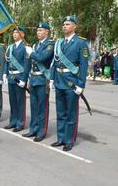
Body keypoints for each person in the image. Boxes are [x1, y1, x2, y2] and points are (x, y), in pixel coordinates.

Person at [50, 15, 89, 151]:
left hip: (72, 83)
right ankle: (60, 138)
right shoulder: (59, 43)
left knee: (71, 113)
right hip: (59, 81)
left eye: (67, 24)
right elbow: (55, 63)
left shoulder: (81, 43)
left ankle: (69, 140)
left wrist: (81, 85)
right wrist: (52, 79)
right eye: (63, 24)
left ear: (74, 26)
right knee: (60, 113)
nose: (64, 26)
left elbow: (83, 66)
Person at [22, 22, 54, 142]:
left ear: (47, 31)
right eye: (37, 30)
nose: (38, 32)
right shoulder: (35, 45)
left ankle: (41, 131)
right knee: (34, 106)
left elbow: (41, 58)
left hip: (42, 79)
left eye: (41, 30)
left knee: (42, 107)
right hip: (34, 79)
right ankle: (33, 129)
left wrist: (31, 53)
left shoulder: (50, 44)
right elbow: (29, 63)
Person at [3, 27, 29, 132]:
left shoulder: (25, 47)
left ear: (22, 35)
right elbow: (7, 62)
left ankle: (20, 123)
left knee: (20, 101)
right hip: (11, 77)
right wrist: (5, 73)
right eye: (13, 33)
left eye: (17, 33)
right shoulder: (10, 47)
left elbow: (27, 65)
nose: (14, 34)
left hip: (19, 77)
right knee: (12, 101)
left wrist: (24, 79)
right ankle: (12, 121)